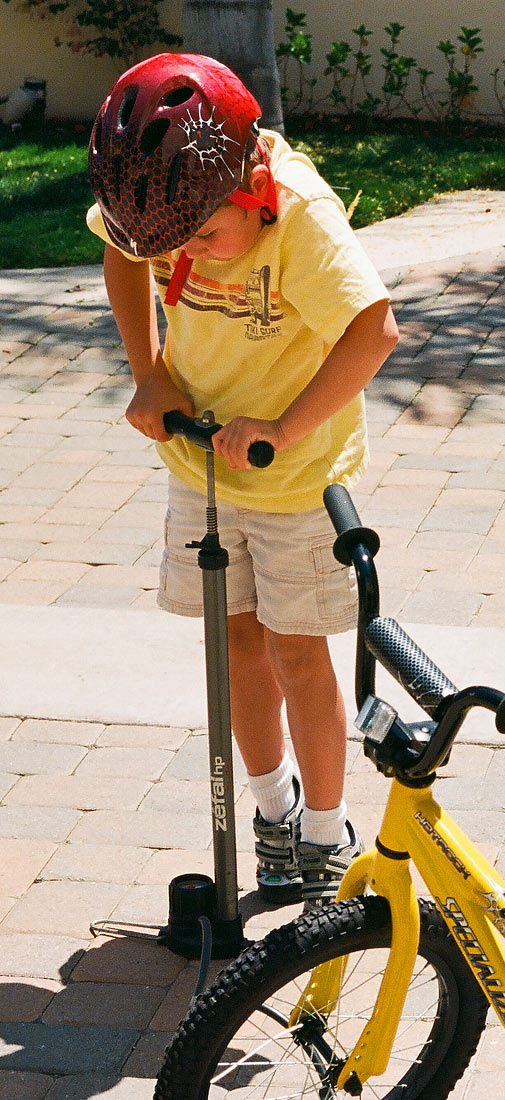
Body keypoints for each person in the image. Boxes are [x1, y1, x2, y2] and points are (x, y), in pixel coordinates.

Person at [86, 53, 398, 911]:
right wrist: (150, 370)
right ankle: (273, 812)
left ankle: (328, 832)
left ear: (251, 181)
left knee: (300, 651)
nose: (182, 257)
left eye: (203, 238)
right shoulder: (165, 203)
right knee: (237, 646)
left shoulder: (299, 215)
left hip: (292, 477)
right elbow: (120, 255)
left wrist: (284, 428)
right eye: (170, 249)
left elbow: (375, 330)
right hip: (203, 463)